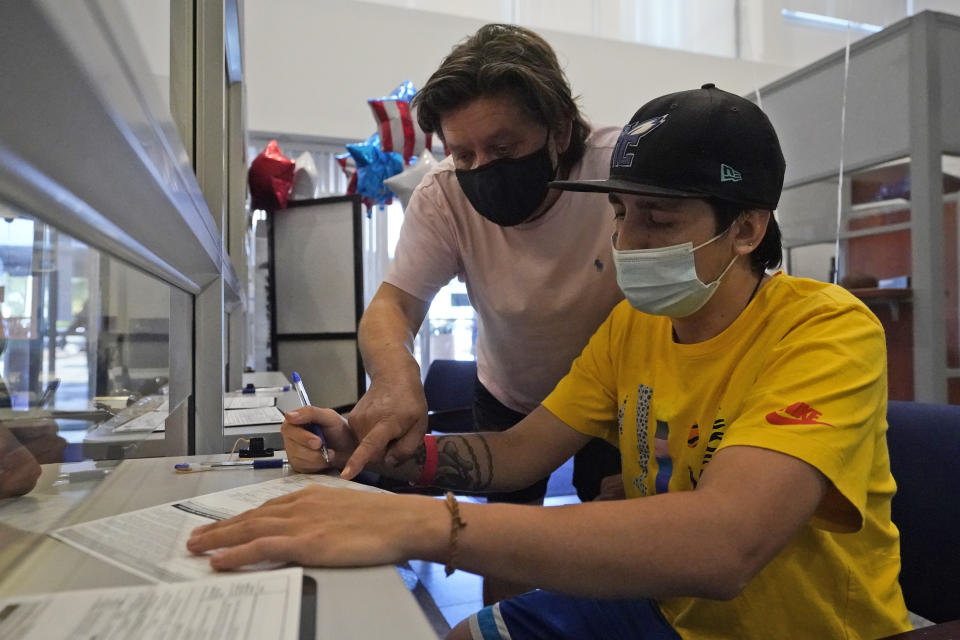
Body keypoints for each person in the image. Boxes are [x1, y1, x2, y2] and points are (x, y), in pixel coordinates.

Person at [188, 84, 911, 640]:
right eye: (622, 214)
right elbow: (516, 454)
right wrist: (380, 453)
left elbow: (726, 545)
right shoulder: (634, 327)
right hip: (668, 613)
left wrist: (421, 525)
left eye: (659, 220)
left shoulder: (826, 331)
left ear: (747, 228)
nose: (627, 242)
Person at [344, 24, 624, 602]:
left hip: (620, 398)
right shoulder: (444, 194)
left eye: (502, 149)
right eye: (462, 152)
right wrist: (396, 381)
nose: (480, 167)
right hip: (510, 394)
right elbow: (393, 305)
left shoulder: (618, 169)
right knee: (505, 556)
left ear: (560, 128)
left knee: (619, 559)